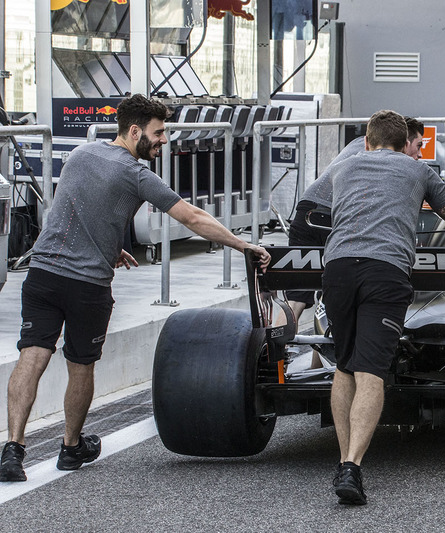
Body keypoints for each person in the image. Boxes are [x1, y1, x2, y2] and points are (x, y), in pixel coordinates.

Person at [0, 94, 271, 482]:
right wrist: (244, 244)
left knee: (33, 355)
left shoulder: (80, 154)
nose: (163, 140)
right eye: (158, 133)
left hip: (42, 274)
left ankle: (13, 449)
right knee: (80, 365)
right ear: (134, 131)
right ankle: (71, 447)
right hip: (86, 286)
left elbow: (73, 210)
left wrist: (109, 247)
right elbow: (192, 217)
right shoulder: (136, 174)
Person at [323, 110, 445, 505]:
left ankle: (343, 459)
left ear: (368, 141)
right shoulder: (419, 171)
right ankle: (351, 468)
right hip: (385, 271)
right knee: (371, 371)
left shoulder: (345, 167)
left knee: (344, 366)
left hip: (337, 268)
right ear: (403, 142)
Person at [285, 117, 426, 322]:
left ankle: (275, 352)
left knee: (297, 299)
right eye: (418, 146)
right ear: (404, 141)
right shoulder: (385, 159)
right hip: (331, 217)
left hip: (305, 210)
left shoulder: (360, 144)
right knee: (337, 295)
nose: (419, 154)